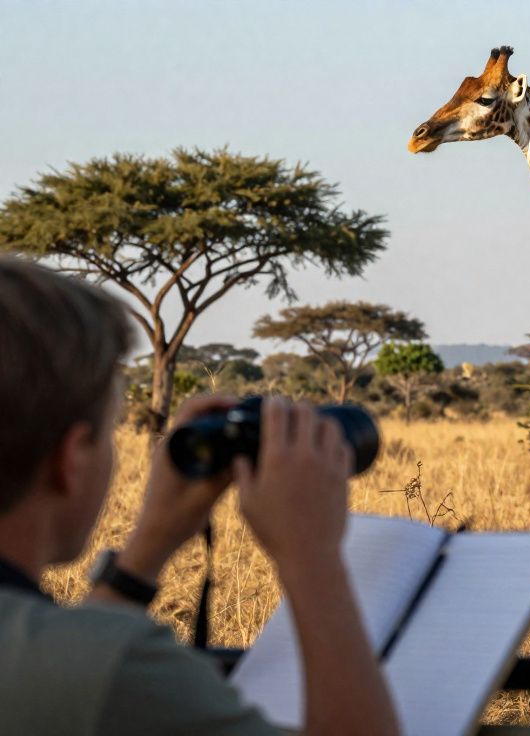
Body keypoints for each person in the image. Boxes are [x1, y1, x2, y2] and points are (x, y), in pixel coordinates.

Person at [0, 257, 400, 736]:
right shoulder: (117, 669)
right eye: (108, 433)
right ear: (71, 459)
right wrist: (311, 557)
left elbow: (68, 671)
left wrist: (150, 544)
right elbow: (91, 673)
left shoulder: (51, 658)